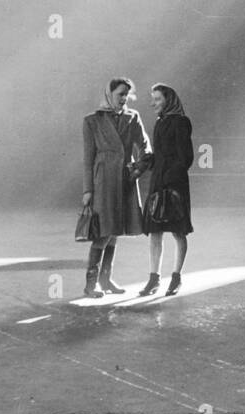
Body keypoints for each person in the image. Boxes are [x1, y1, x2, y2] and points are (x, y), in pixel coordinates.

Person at [81, 78, 151, 298]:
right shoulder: (92, 121)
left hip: (125, 178)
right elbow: (87, 159)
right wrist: (87, 190)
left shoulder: (133, 117)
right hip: (103, 180)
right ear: (109, 94)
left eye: (127, 95)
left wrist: (138, 168)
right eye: (121, 94)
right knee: (103, 231)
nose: (124, 98)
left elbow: (145, 146)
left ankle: (106, 279)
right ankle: (90, 285)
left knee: (115, 232)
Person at [141, 83, 194, 296]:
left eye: (158, 99)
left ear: (168, 100)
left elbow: (186, 157)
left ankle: (176, 277)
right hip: (158, 182)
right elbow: (160, 155)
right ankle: (154, 279)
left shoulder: (181, 122)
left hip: (174, 185)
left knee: (178, 231)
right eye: (153, 98)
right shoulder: (160, 122)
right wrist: (145, 164)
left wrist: (170, 180)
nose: (153, 103)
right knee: (155, 231)